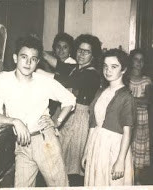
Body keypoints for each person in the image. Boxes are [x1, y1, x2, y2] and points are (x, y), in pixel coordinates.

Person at [0, 35, 76, 187]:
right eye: (24, 57)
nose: (28, 63)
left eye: (33, 59)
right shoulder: (2, 81)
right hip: (22, 144)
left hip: (45, 142)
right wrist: (14, 121)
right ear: (15, 58)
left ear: (38, 62)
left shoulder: (44, 82)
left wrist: (57, 122)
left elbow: (70, 99)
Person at [46, 34, 101, 185]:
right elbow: (59, 65)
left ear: (93, 55)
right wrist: (38, 52)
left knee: (73, 167)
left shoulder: (93, 74)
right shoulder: (75, 68)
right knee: (59, 162)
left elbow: (65, 81)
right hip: (65, 114)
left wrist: (37, 74)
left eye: (86, 51)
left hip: (79, 119)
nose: (81, 54)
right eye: (79, 50)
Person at [82, 49, 135, 186]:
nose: (108, 70)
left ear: (123, 70)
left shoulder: (126, 96)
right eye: (105, 66)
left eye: (114, 66)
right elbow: (93, 126)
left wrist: (120, 161)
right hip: (97, 145)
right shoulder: (100, 92)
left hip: (115, 148)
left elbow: (128, 133)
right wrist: (87, 151)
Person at [129, 49, 152, 185]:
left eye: (141, 60)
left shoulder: (146, 80)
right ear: (131, 61)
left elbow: (148, 101)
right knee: (127, 149)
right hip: (127, 119)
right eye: (136, 59)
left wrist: (130, 99)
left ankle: (136, 181)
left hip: (141, 121)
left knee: (138, 152)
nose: (139, 62)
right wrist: (138, 100)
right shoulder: (125, 78)